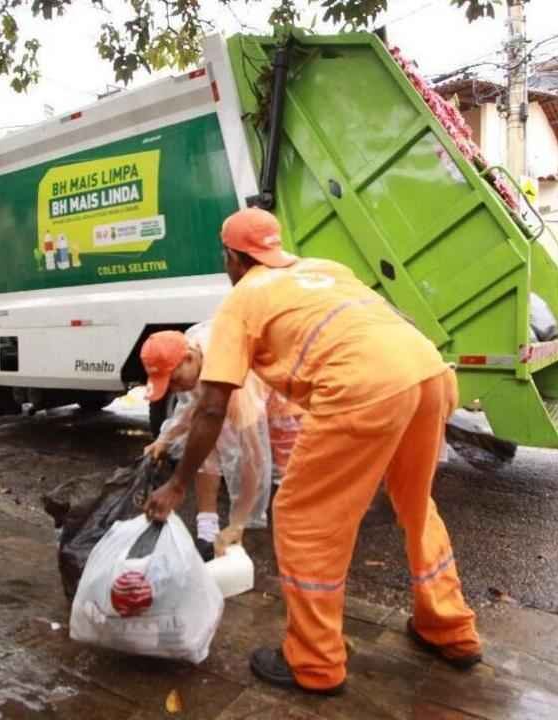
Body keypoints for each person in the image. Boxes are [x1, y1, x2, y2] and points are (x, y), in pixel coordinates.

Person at [145, 207, 481, 696]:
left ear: (234, 258)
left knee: (304, 518)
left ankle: (315, 661)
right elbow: (396, 317)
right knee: (415, 502)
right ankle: (449, 628)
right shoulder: (326, 269)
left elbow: (212, 406)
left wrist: (178, 484)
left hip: (362, 385)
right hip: (427, 370)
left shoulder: (242, 300)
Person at [141, 323, 271, 561]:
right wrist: (165, 439)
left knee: (280, 467)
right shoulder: (190, 350)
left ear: (189, 358)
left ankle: (252, 532)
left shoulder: (231, 378)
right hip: (231, 387)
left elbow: (253, 458)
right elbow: (191, 405)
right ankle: (207, 530)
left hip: (280, 399)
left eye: (173, 380)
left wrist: (240, 522)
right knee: (202, 441)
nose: (173, 388)